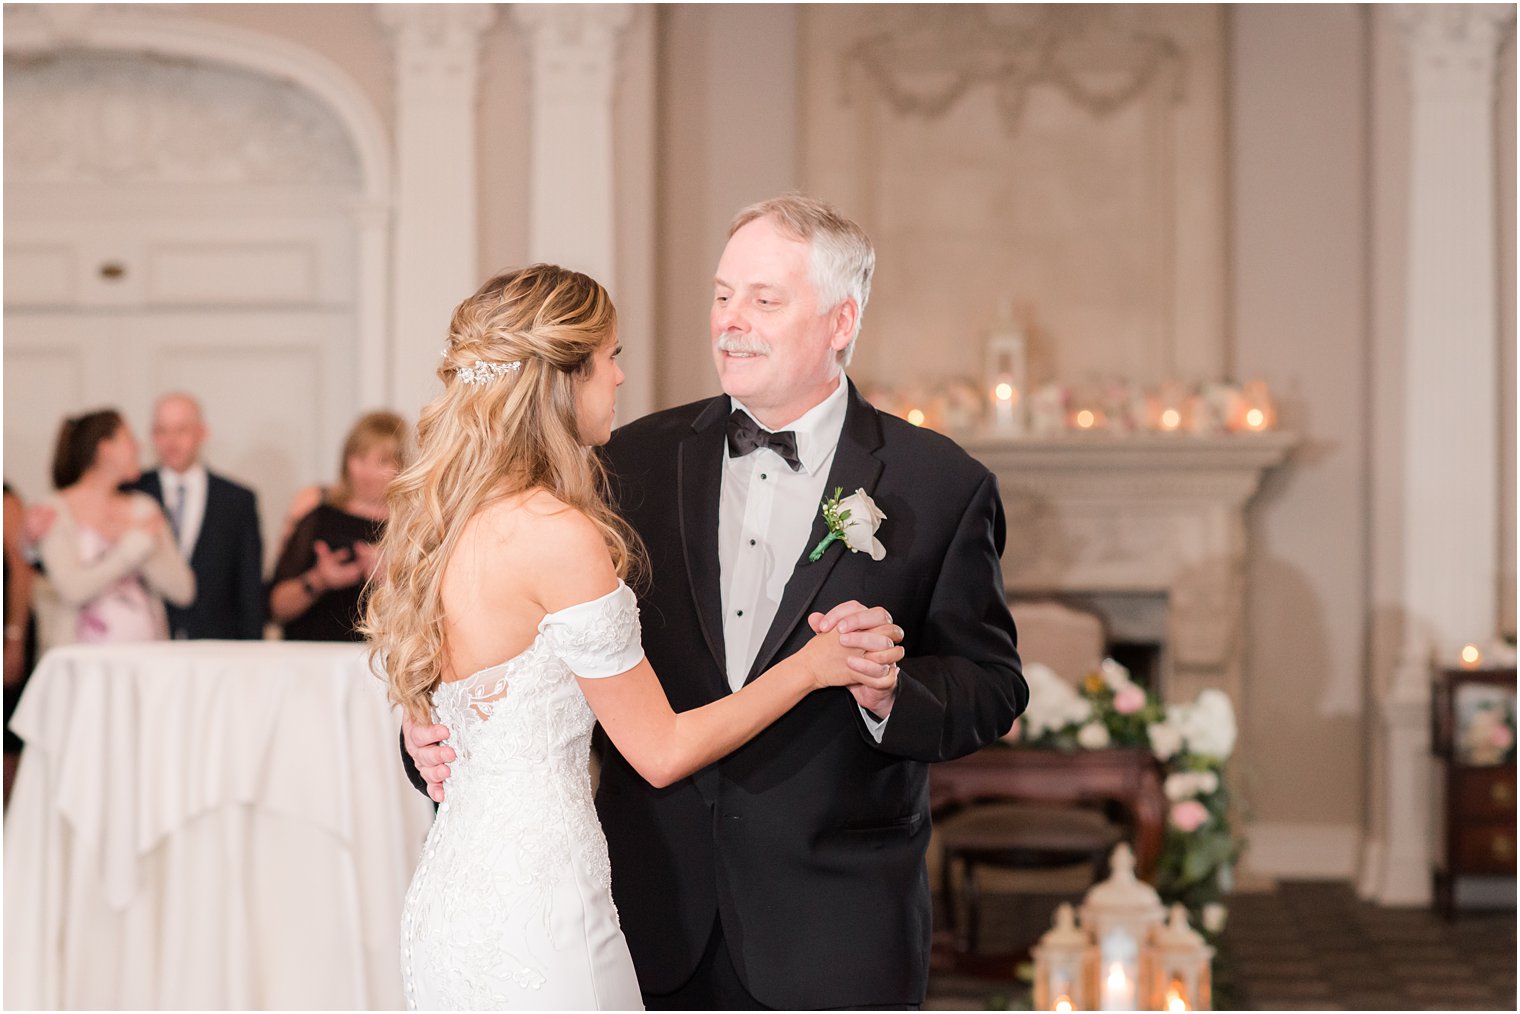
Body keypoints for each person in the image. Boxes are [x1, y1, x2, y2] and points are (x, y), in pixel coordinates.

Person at [405, 196, 1027, 1009]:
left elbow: (992, 686)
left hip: (834, 927)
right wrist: (432, 736)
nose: (730, 321)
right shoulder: (618, 462)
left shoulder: (938, 484)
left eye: (764, 300)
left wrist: (888, 692)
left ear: (841, 322)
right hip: (644, 917)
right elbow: (512, 646)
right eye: (722, 294)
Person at [364, 263, 904, 1010]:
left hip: (453, 895)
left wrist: (418, 724)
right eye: (609, 358)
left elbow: (455, 689)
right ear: (563, 379)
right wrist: (811, 668)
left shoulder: (440, 523)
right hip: (541, 904)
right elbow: (659, 751)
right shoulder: (557, 535)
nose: (619, 378)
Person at [32, 410, 195, 652]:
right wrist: (129, 550)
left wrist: (147, 550)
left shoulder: (142, 507)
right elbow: (71, 589)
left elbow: (183, 590)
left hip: (146, 656)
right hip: (82, 658)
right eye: (129, 439)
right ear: (105, 448)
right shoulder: (56, 510)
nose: (138, 447)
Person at [128, 393, 265, 640]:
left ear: (202, 433)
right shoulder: (131, 493)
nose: (172, 441)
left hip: (217, 646)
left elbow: (249, 591)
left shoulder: (237, 501)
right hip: (148, 642)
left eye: (182, 430)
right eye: (162, 431)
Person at [268, 411, 406, 642]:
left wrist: (387, 582)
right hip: (313, 659)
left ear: (402, 465)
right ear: (346, 460)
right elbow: (275, 607)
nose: (368, 473)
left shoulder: (413, 527)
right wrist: (318, 580)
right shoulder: (319, 517)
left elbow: (429, 622)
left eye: (382, 462)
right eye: (360, 459)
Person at [3, 483, 38, 804]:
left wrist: (13, 638)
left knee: (6, 739)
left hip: (6, 631)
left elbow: (20, 569)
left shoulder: (6, 500)